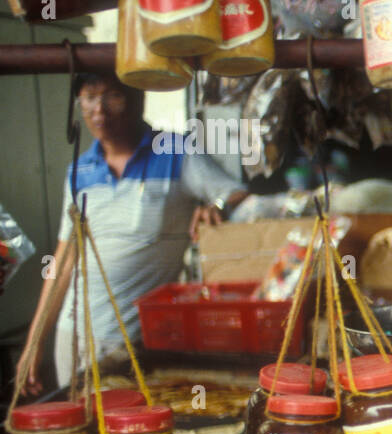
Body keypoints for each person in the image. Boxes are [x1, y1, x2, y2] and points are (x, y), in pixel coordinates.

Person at [18, 73, 248, 395]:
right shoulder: (78, 171)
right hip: (74, 335)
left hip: (133, 340)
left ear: (139, 99)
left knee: (134, 431)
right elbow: (64, 262)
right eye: (88, 97)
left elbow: (237, 193)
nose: (99, 110)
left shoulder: (174, 150)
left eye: (112, 96)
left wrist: (217, 206)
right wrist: (35, 342)